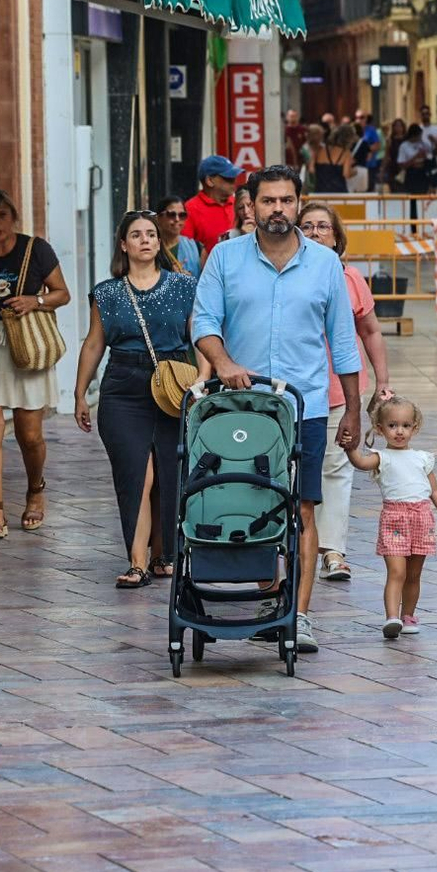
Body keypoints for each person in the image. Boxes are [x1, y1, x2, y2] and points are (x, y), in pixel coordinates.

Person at [191, 166, 362, 655]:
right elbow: (203, 319)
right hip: (238, 407)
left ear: (298, 203)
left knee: (303, 507)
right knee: (240, 499)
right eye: (268, 201)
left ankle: (299, 615)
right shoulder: (225, 258)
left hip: (302, 405)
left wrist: (352, 411)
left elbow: (343, 342)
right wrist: (222, 362)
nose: (279, 210)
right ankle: (245, 592)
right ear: (250, 206)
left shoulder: (326, 263)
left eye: (287, 201)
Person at [73, 211, 202, 587]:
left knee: (168, 474)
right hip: (123, 386)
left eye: (151, 234)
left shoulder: (183, 286)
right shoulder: (107, 292)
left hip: (174, 385)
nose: (145, 240)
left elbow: (200, 335)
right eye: (136, 234)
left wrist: (205, 381)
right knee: (137, 476)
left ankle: (164, 555)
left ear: (159, 243)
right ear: (123, 243)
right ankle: (137, 561)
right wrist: (81, 392)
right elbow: (94, 342)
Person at [0, 190, 70, 538]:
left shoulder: (35, 248)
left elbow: (61, 293)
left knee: (29, 433)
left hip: (25, 341)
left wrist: (34, 300)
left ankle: (36, 489)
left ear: (14, 217)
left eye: (2, 216)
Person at [298, 203, 394, 583]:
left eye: (323, 226)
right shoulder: (287, 277)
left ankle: (332, 551)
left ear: (337, 238)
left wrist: (383, 380)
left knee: (336, 469)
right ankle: (295, 544)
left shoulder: (351, 278)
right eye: (307, 226)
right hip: (297, 390)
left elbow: (370, 331)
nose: (316, 232)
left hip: (341, 390)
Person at [348, 397, 437, 639]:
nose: (399, 431)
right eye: (392, 425)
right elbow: (360, 463)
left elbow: (435, 490)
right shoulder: (381, 457)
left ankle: (408, 615)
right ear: (380, 428)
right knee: (396, 572)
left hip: (422, 518)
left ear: (414, 428)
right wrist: (350, 447)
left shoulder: (422, 458)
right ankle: (391, 618)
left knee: (413, 574)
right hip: (394, 519)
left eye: (406, 426)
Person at [183, 155, 244, 255]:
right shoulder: (191, 209)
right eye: (228, 178)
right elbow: (186, 250)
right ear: (210, 181)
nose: (234, 182)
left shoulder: (240, 204)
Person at [155, 196, 202, 275]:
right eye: (171, 214)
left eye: (182, 215)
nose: (177, 219)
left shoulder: (197, 247)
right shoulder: (150, 248)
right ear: (158, 218)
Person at [310, 124, 356, 194]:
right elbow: (346, 174)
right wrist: (354, 172)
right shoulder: (345, 153)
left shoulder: (319, 150)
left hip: (320, 191)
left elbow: (312, 170)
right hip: (339, 192)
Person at [395, 123, 435, 195]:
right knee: (413, 199)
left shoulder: (423, 144)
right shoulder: (404, 146)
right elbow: (401, 165)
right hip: (411, 175)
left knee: (423, 197)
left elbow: (433, 154)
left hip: (423, 174)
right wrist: (415, 157)